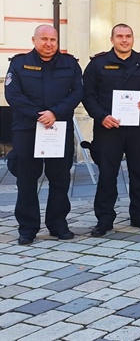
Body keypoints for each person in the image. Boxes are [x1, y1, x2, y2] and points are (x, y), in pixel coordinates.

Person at [4, 25, 83, 245]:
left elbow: (77, 92)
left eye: (53, 39)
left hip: (58, 129)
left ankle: (58, 224)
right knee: (27, 180)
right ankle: (28, 228)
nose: (49, 43)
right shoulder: (19, 63)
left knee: (60, 179)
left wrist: (55, 113)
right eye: (44, 39)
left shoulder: (70, 64)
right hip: (28, 129)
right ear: (34, 40)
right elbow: (13, 95)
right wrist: (40, 115)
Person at [83, 24, 140, 237]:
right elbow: (88, 94)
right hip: (109, 128)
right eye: (120, 36)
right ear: (112, 39)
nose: (124, 40)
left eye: (128, 36)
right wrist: (101, 116)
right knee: (107, 175)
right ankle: (104, 219)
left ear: (133, 39)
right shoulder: (98, 64)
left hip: (139, 129)